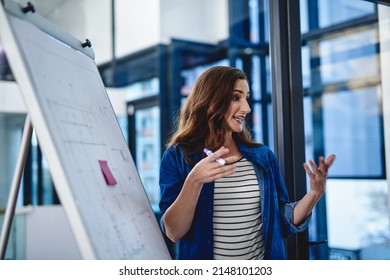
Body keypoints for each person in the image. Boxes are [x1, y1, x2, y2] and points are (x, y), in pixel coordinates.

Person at [159, 66, 336, 260]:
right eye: (236, 97)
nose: (247, 108)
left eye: (246, 97)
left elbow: (282, 221)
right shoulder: (177, 156)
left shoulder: (263, 157)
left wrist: (314, 193)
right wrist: (194, 181)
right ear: (212, 99)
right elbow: (174, 232)